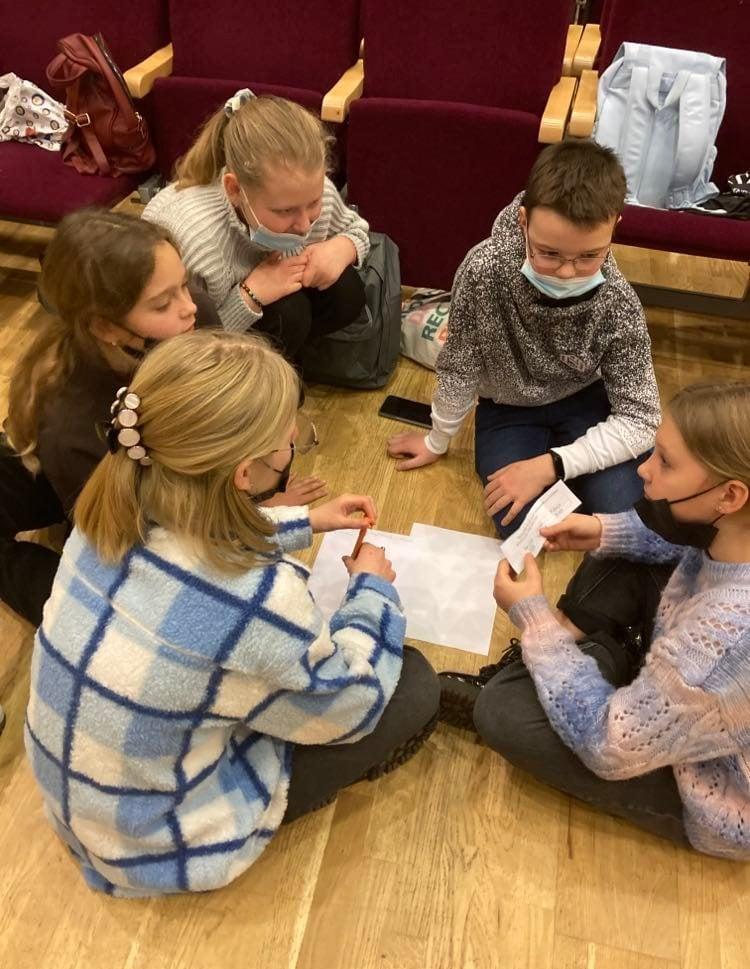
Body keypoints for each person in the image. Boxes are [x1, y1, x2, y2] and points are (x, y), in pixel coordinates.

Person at [24, 332, 439, 897]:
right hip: (160, 844)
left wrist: (306, 521)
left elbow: (200, 540)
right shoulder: (259, 596)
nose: (294, 448)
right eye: (290, 442)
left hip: (82, 805)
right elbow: (349, 710)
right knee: (411, 685)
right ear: (245, 474)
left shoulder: (108, 516)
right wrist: (372, 593)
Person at [440, 381, 750, 859]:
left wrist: (535, 621)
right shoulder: (733, 532)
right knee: (619, 547)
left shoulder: (720, 643)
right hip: (691, 688)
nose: (644, 469)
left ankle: (586, 662)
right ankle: (592, 661)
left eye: (666, 462)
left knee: (502, 714)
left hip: (712, 791)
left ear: (729, 496)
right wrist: (604, 529)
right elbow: (684, 545)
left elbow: (610, 745)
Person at [1, 209, 325, 628]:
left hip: (104, 474)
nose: (189, 306)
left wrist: (257, 497)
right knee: (111, 611)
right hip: (61, 485)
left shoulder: (192, 317)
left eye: (184, 284)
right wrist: (253, 518)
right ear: (106, 327)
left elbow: (229, 414)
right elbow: (124, 537)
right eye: (162, 303)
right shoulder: (72, 424)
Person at [387, 139, 660, 538]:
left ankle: (568, 476)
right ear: (523, 221)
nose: (566, 272)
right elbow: (460, 365)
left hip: (585, 401)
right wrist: (437, 439)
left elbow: (641, 418)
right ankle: (569, 482)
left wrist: (552, 465)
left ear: (615, 226)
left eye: (588, 256)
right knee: (517, 519)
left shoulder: (618, 301)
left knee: (624, 504)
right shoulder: (483, 270)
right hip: (508, 409)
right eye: (549, 253)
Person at [143, 90, 369, 362]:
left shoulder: (303, 189)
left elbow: (357, 230)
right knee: (290, 313)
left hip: (271, 299)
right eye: (284, 211)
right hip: (197, 340)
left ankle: (288, 355)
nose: (304, 225)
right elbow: (184, 347)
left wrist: (342, 248)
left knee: (346, 291)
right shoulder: (194, 240)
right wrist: (249, 296)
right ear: (235, 190)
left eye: (314, 202)